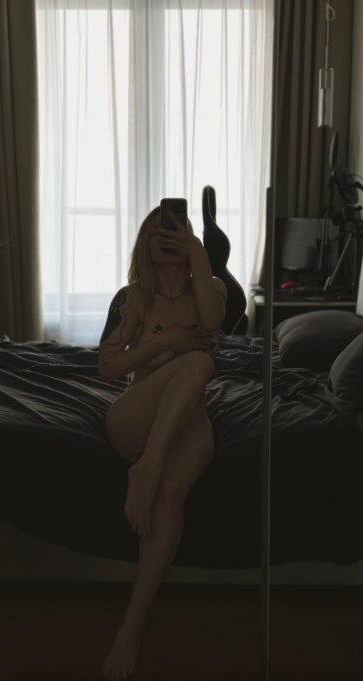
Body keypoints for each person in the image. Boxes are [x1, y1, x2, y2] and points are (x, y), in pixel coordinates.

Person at [98, 203, 227, 680]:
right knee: (198, 361)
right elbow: (107, 368)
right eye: (157, 230)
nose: (166, 235)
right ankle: (149, 464)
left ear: (190, 239)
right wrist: (166, 341)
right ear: (144, 244)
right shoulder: (133, 297)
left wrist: (198, 251)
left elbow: (212, 320)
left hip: (191, 424)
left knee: (172, 494)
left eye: (175, 228)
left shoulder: (211, 289)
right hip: (136, 418)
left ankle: (130, 632)